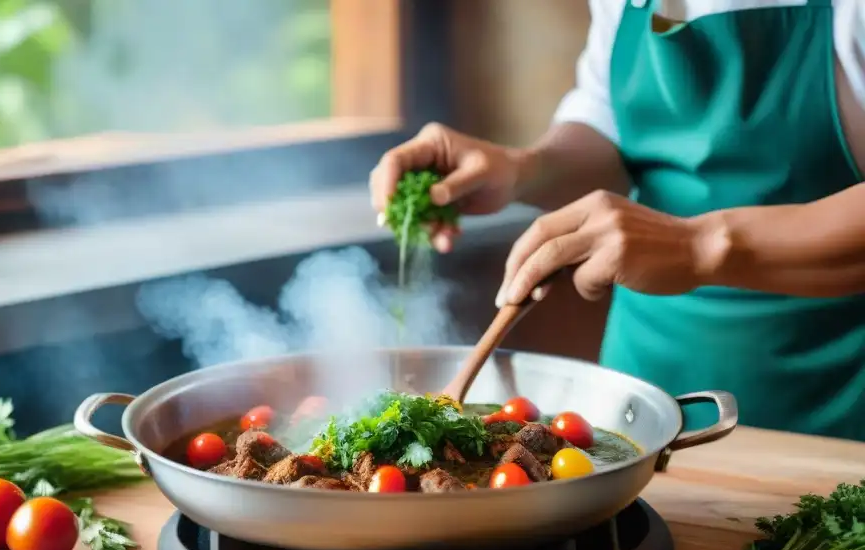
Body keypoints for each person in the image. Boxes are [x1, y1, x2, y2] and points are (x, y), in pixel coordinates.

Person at [369, 0, 865, 441]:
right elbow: (613, 122)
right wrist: (525, 169)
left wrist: (696, 246)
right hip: (647, 383)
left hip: (831, 396)